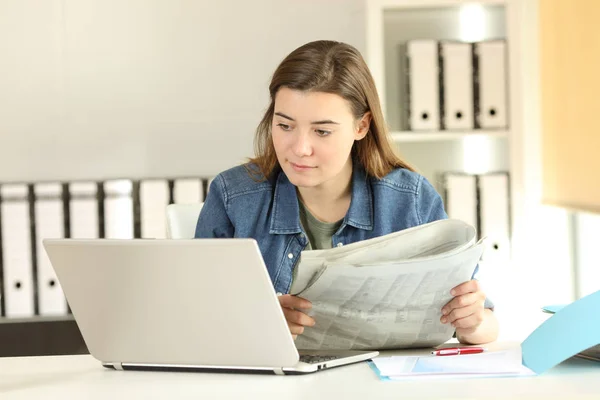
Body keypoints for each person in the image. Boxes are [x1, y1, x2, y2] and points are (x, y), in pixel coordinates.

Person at [195, 40, 498, 345]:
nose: (299, 149)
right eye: (285, 126)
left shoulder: (410, 199)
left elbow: (483, 322)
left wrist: (472, 322)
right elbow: (195, 320)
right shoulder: (233, 195)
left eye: (322, 131)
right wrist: (255, 322)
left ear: (361, 126)